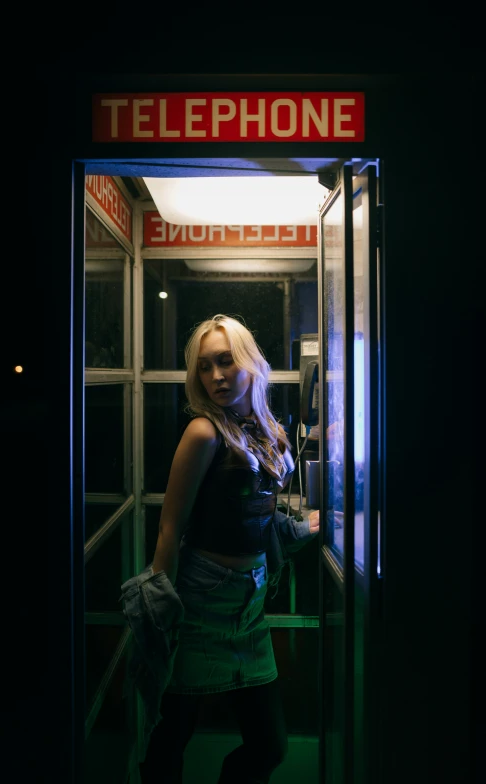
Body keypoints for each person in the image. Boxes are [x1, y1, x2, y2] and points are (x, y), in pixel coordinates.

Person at [136, 314, 320, 784]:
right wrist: (161, 614)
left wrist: (303, 525)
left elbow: (257, 515)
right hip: (202, 601)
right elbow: (169, 527)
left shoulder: (263, 429)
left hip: (251, 604)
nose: (215, 376)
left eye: (226, 361)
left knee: (268, 746)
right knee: (171, 737)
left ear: (250, 364)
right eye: (204, 367)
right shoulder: (204, 431)